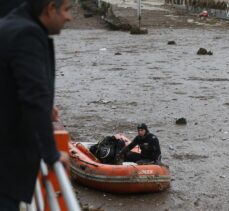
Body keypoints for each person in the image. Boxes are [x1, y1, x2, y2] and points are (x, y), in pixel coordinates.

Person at [0, 0, 72, 210]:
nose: (70, 17)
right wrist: (52, 154)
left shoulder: (12, 25)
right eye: (66, 10)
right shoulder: (26, 35)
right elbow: (34, 99)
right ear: (50, 9)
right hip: (6, 170)